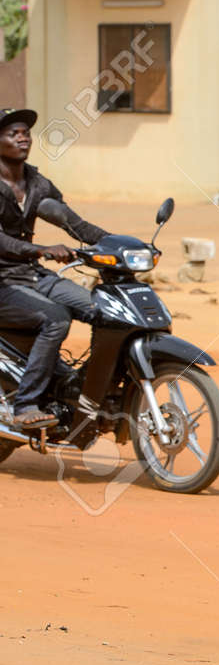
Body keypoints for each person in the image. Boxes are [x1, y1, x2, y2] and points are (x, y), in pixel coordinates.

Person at [0, 107, 108, 429]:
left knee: (103, 308)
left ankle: (80, 388)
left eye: (26, 133)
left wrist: (122, 245)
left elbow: (75, 224)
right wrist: (40, 249)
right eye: (12, 133)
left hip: (33, 276)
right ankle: (26, 403)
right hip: (3, 283)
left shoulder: (35, 182)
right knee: (55, 318)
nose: (22, 138)